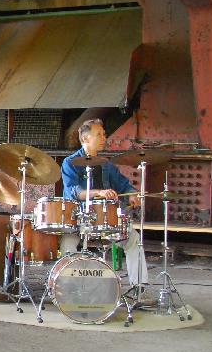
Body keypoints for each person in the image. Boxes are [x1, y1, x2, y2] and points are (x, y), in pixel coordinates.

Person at [59, 118, 149, 287]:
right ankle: (68, 288)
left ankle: (139, 289)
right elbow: (73, 191)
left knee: (134, 238)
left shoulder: (107, 164)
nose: (103, 138)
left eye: (104, 134)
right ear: (85, 139)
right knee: (68, 243)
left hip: (106, 220)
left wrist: (132, 194)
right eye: (99, 134)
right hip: (78, 218)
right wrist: (98, 192)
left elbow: (123, 184)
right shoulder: (69, 163)